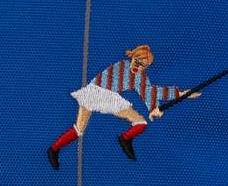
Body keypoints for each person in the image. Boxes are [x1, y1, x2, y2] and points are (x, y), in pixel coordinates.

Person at [47, 44, 198, 166]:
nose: (137, 67)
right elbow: (148, 92)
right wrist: (154, 107)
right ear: (132, 57)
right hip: (102, 94)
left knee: (79, 129)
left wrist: (179, 94)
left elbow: (149, 92)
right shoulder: (122, 67)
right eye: (137, 62)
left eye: (142, 65)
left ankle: (53, 149)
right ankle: (125, 139)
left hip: (91, 92)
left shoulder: (138, 76)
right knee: (140, 122)